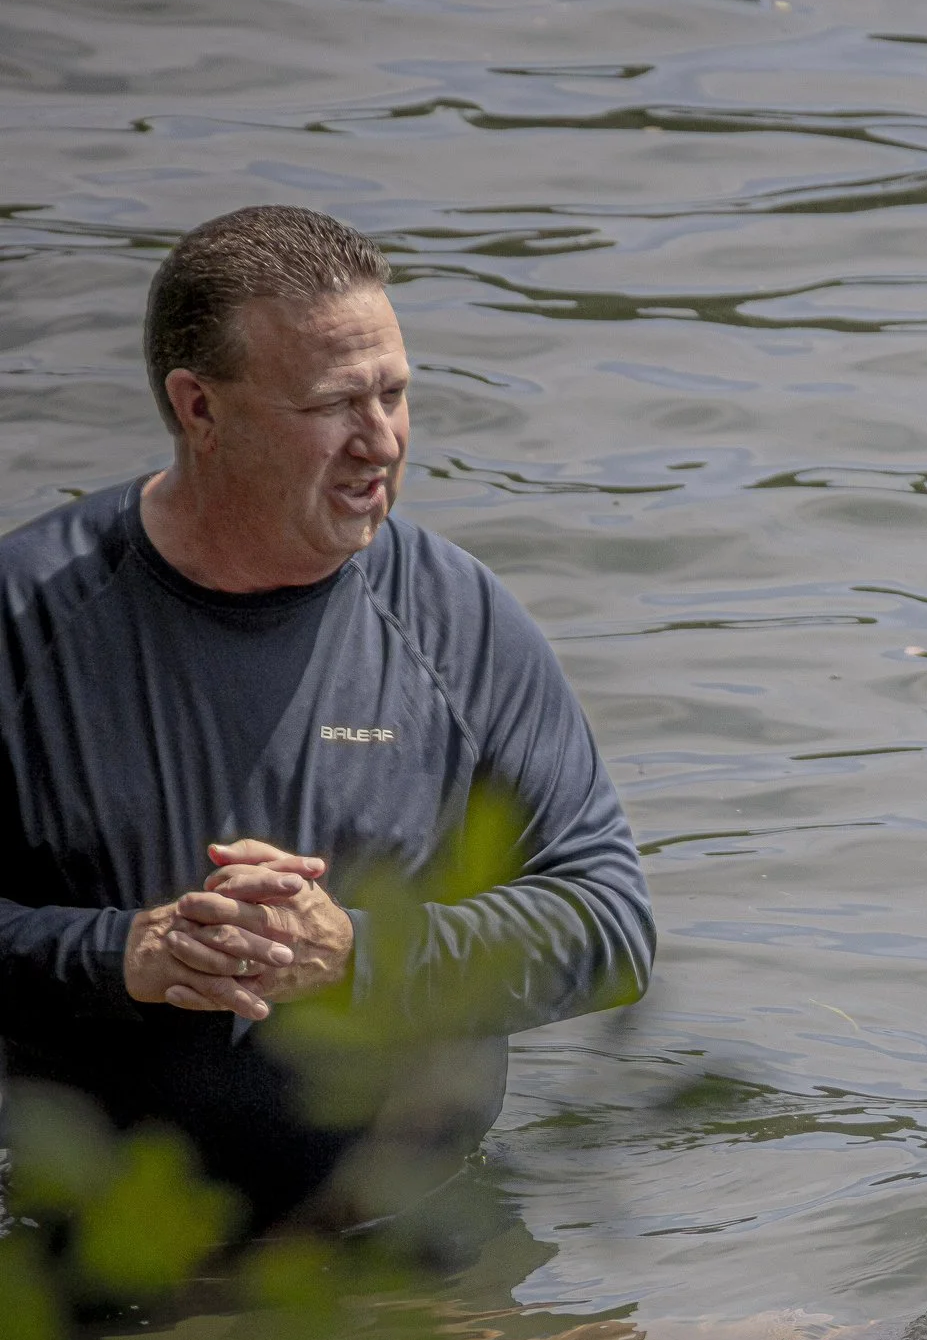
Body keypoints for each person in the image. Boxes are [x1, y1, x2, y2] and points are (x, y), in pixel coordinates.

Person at [0, 204, 654, 1246]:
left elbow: (610, 922)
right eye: (335, 403)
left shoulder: (460, 618)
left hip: (409, 1236)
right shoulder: (28, 616)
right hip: (90, 1257)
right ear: (199, 407)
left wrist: (357, 955)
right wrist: (123, 953)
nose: (382, 439)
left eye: (394, 393)